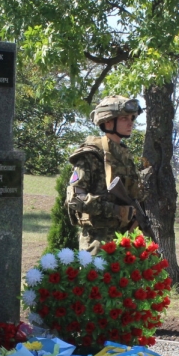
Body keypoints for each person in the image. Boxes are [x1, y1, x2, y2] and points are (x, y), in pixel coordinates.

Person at [66, 95, 143, 253]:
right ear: (108, 121)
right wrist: (115, 210)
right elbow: (74, 198)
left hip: (126, 240)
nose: (130, 123)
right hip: (97, 244)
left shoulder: (125, 156)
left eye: (132, 118)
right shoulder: (91, 155)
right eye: (124, 118)